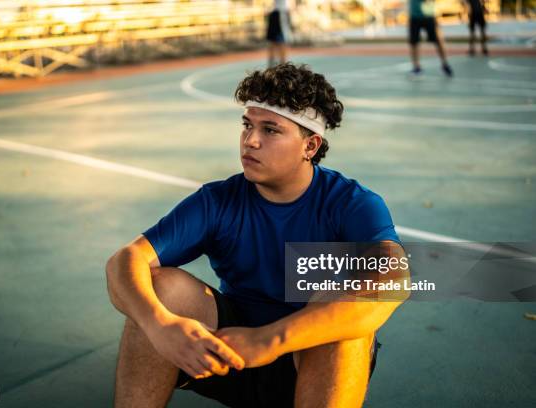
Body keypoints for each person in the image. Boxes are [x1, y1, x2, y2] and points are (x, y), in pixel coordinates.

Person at [106, 63, 410, 408]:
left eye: (271, 130)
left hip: (309, 365)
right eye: (248, 125)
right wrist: (160, 325)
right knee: (163, 287)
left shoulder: (352, 204)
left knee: (341, 317)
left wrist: (270, 340)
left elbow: (392, 280)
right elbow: (125, 260)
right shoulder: (218, 200)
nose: (250, 140)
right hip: (229, 355)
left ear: (309, 146)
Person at [408, 0, 453, 76]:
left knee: (438, 40)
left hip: (428, 15)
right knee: (414, 43)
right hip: (414, 16)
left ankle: (445, 64)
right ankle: (416, 67)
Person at [266, 0, 292, 68]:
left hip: (279, 13)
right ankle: (281, 67)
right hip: (279, 14)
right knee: (278, 44)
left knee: (277, 44)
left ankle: (278, 66)